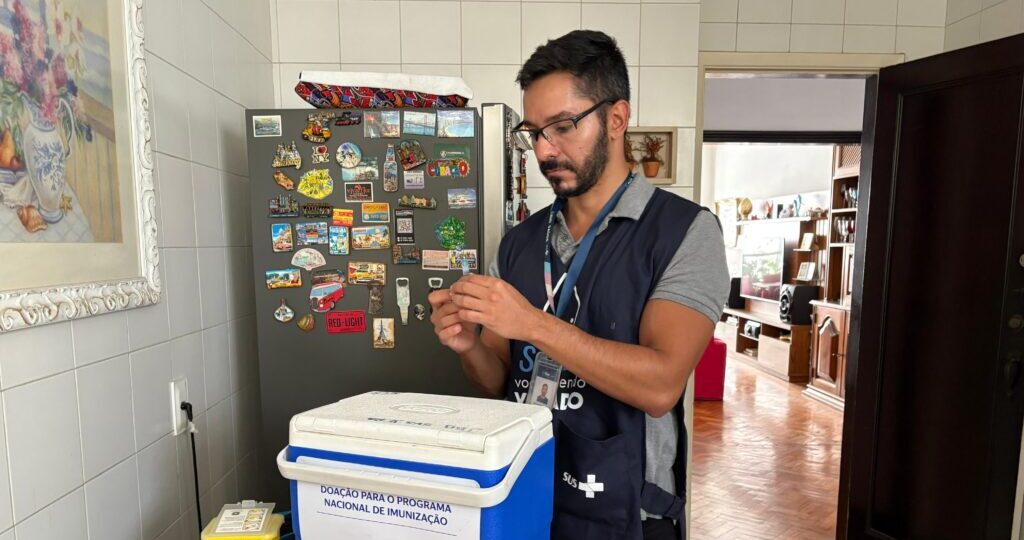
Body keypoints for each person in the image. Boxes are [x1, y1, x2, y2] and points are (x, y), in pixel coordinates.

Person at [428, 30, 729, 540]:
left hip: (628, 514)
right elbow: (499, 381)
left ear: (616, 118)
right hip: (523, 496)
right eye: (534, 132)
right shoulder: (520, 242)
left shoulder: (683, 233)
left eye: (563, 126)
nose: (545, 150)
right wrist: (467, 347)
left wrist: (531, 323)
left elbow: (660, 385)